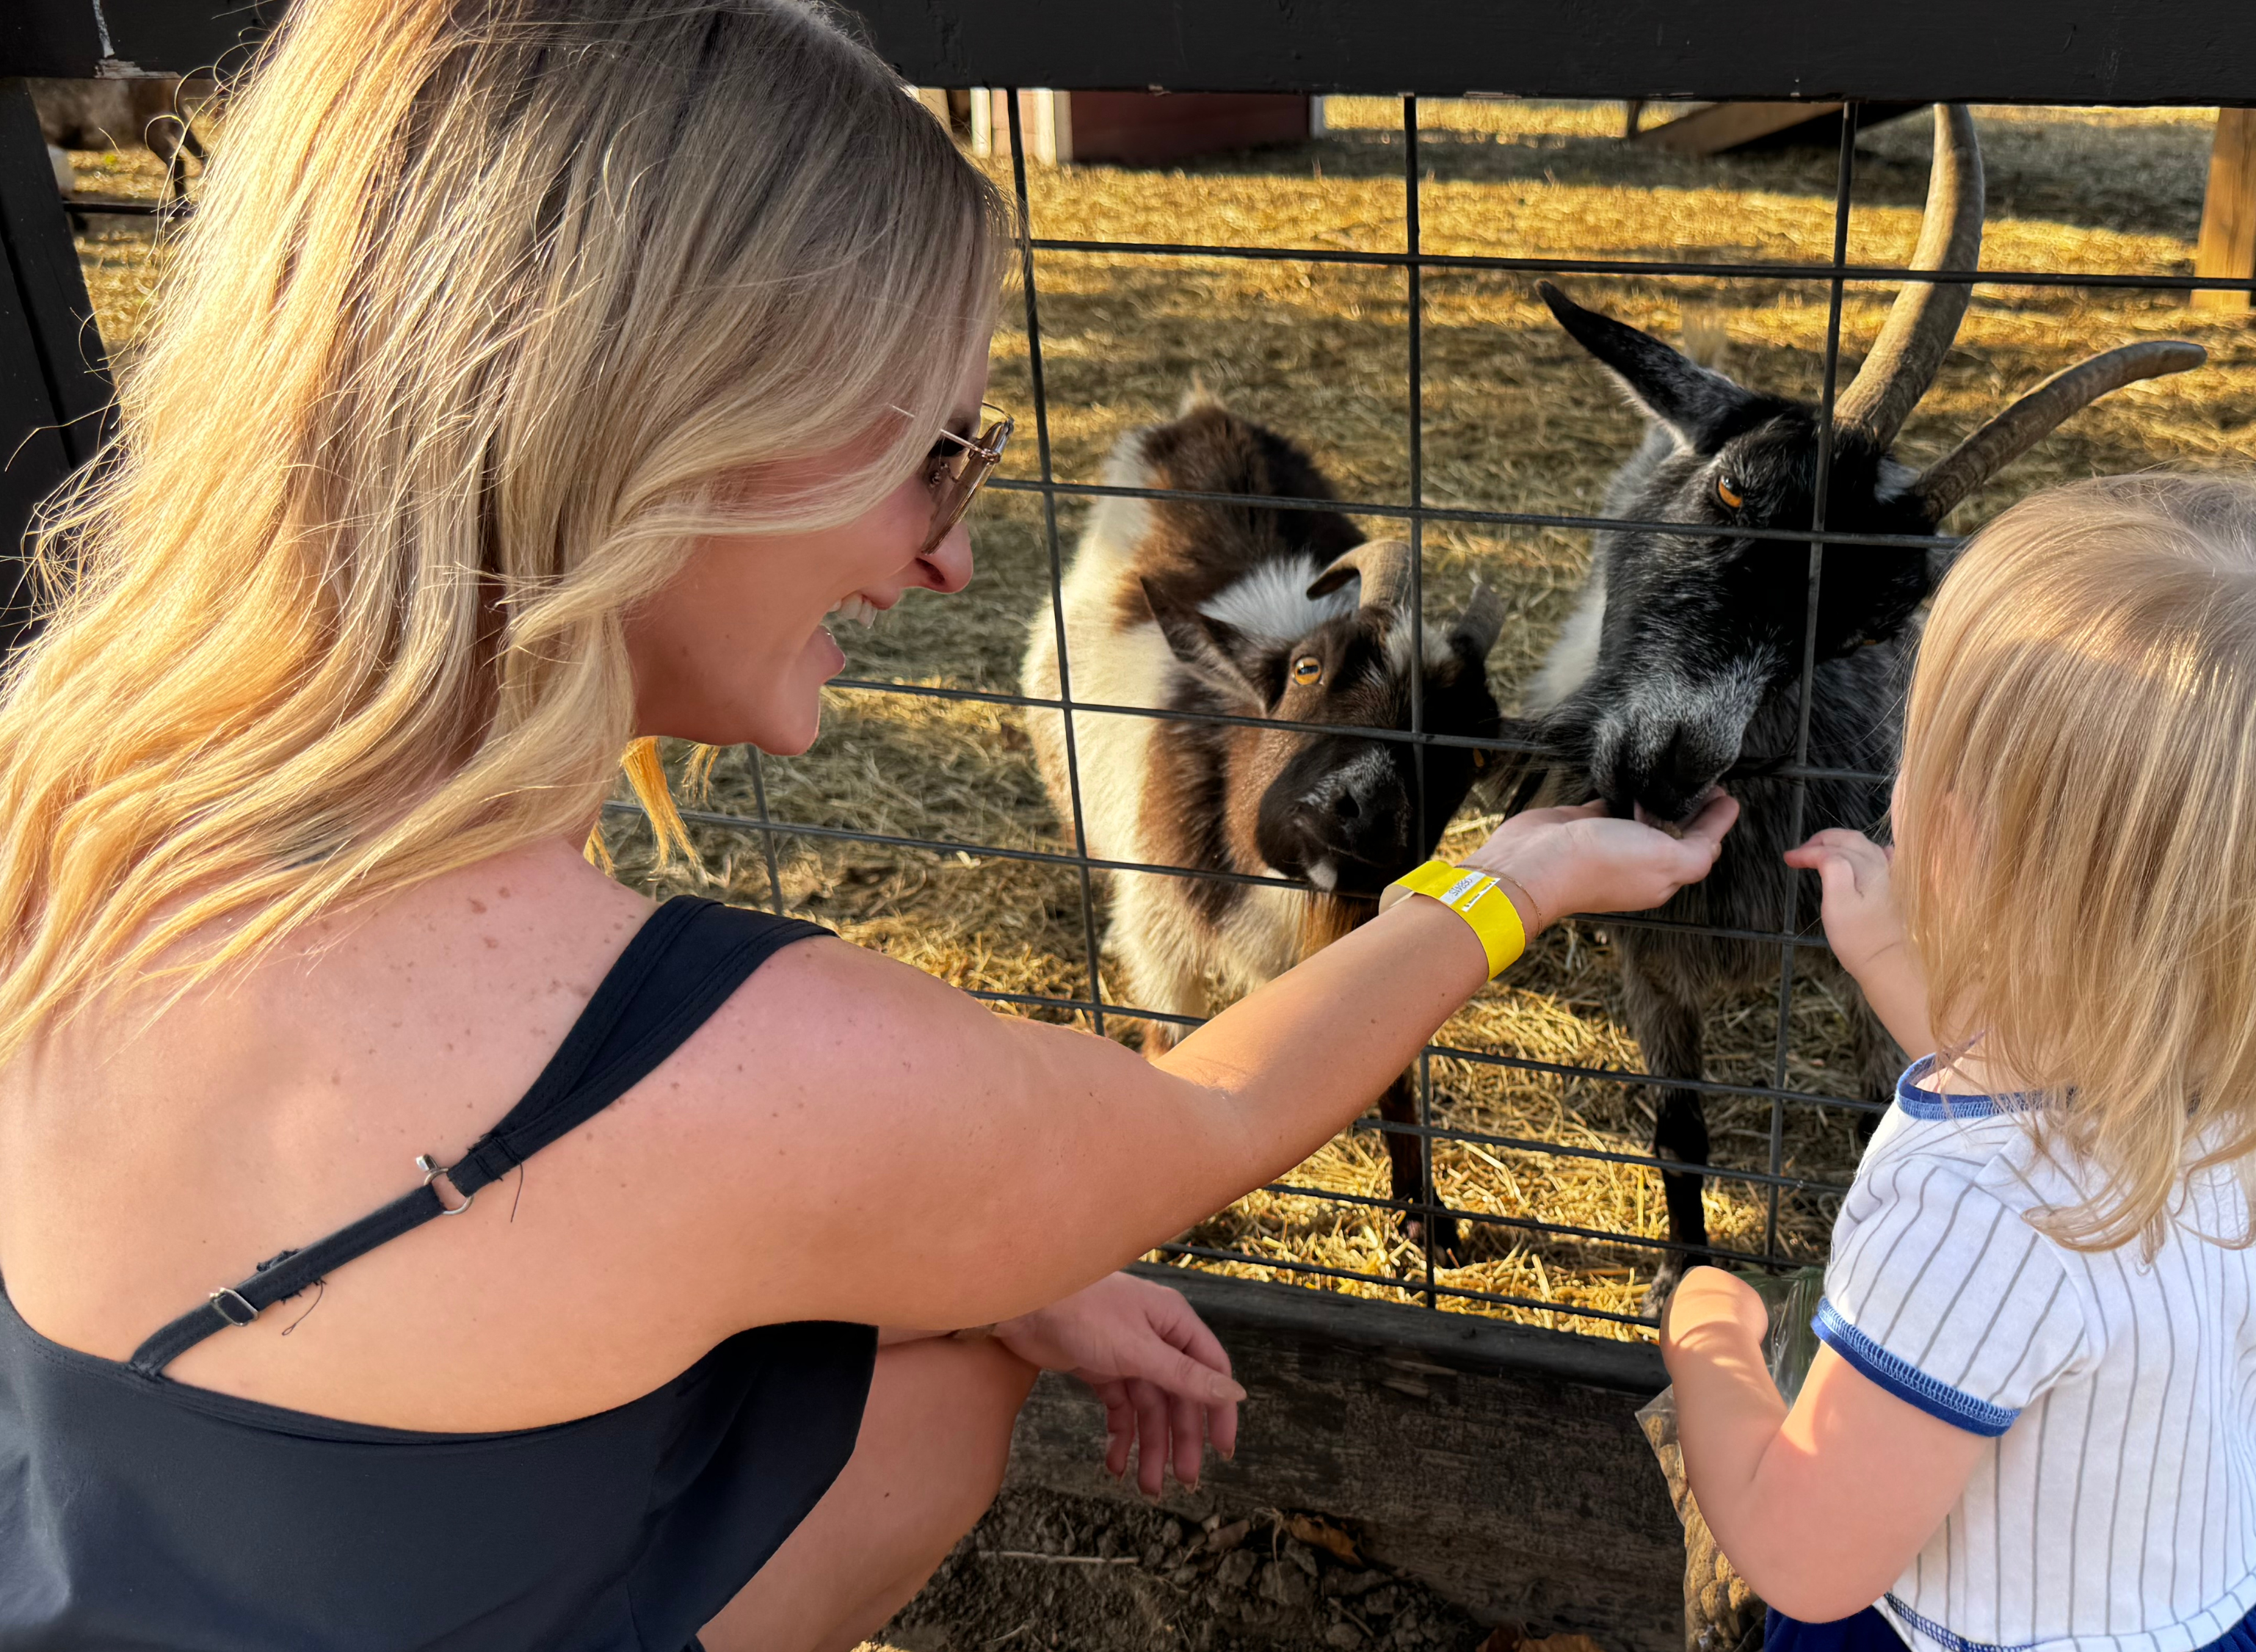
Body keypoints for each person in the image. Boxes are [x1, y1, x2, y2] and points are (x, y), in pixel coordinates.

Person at [0, 4, 1734, 1649]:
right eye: (927, 456)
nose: (954, 557)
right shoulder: (751, 1055)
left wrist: (985, 1269)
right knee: (955, 1372)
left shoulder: (65, 800)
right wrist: (1511, 878)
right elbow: (1210, 1114)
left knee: (937, 1352)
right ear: (655, 427)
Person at [1662, 473, 2256, 1652]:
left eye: (1925, 755)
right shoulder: (2253, 1066)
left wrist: (1711, 1338)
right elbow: (2063, 1094)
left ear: (1958, 831)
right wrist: (1893, 961)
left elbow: (1802, 1552)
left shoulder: (1964, 1213)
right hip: (2228, 1589)